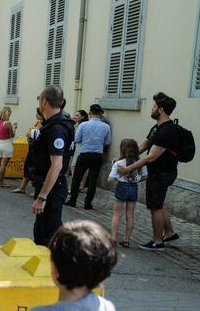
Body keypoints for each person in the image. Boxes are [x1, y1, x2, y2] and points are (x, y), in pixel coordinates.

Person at [117, 92, 181, 251]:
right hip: (158, 172)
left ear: (160, 110)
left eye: (153, 106)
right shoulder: (157, 128)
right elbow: (144, 145)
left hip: (162, 173)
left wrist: (127, 169)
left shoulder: (168, 131)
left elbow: (151, 157)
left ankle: (157, 241)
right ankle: (170, 233)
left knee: (155, 207)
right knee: (158, 204)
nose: (151, 109)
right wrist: (122, 158)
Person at [30, 85, 75, 246]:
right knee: (42, 233)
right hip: (50, 186)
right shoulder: (52, 124)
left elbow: (56, 166)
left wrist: (42, 197)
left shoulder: (56, 129)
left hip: (53, 190)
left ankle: (65, 268)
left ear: (44, 101)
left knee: (49, 238)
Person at [66, 103, 111, 210]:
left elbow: (77, 139)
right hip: (97, 155)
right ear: (100, 113)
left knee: (77, 178)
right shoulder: (106, 126)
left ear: (90, 113)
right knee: (93, 179)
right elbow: (108, 141)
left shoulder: (83, 125)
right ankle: (88, 204)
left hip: (84, 153)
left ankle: (73, 200)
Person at [109, 139, 148, 248]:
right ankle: (126, 240)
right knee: (130, 215)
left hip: (122, 187)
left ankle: (113, 239)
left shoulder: (119, 163)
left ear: (122, 150)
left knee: (117, 215)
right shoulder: (140, 163)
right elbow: (145, 176)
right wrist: (136, 179)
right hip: (134, 188)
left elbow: (110, 179)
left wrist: (117, 175)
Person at [11, 109, 43, 196]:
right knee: (27, 167)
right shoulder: (37, 123)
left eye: (38, 114)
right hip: (31, 147)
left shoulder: (44, 124)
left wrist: (30, 134)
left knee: (35, 169)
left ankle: (38, 190)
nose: (36, 115)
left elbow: (36, 135)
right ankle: (22, 188)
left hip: (37, 149)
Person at [0, 106, 16, 187]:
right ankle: (1, 182)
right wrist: (14, 129)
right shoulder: (7, 123)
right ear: (8, 114)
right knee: (3, 164)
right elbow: (12, 135)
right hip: (7, 144)